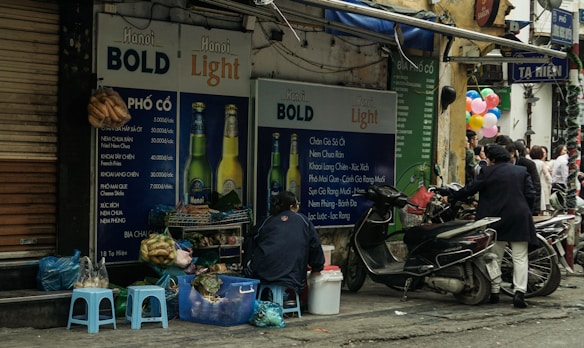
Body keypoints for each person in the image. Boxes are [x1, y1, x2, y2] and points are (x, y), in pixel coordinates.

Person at [445, 144, 537, 308]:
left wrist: (451, 196)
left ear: (492, 159)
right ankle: (519, 292)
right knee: (520, 257)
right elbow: (531, 194)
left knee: (494, 256)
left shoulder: (487, 172)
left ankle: (495, 291)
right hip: (519, 216)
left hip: (494, 219)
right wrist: (525, 211)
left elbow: (470, 189)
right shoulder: (521, 171)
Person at [243, 191, 325, 296]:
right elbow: (315, 246)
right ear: (292, 207)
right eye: (298, 203)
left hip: (264, 275)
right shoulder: (304, 221)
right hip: (294, 279)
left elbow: (250, 238)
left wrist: (247, 266)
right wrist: (317, 268)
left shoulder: (267, 221)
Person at [495, 135, 541, 215]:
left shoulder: (527, 165)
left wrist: (533, 211)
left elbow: (535, 188)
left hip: (524, 209)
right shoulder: (495, 165)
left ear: (512, 152)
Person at [529, 145, 552, 214]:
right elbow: (547, 175)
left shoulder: (529, 162)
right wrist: (551, 182)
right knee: (541, 207)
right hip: (539, 186)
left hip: (530, 185)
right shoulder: (541, 163)